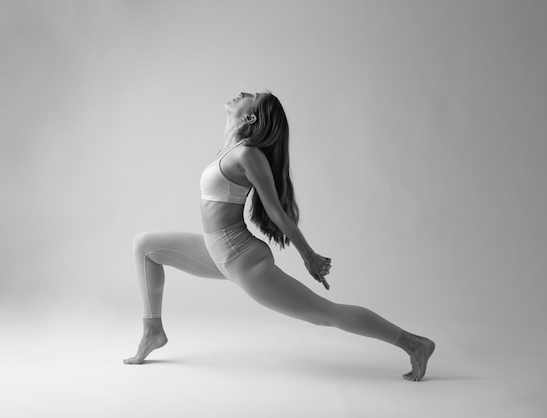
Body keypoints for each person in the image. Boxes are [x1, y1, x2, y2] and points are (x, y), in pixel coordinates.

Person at [123, 91, 435, 381]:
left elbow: (275, 211)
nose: (243, 92)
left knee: (325, 314)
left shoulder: (248, 155)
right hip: (217, 252)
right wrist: (235, 126)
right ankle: (153, 331)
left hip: (241, 260)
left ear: (251, 117)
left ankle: (414, 343)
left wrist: (308, 256)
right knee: (145, 246)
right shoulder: (232, 148)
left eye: (251, 97)